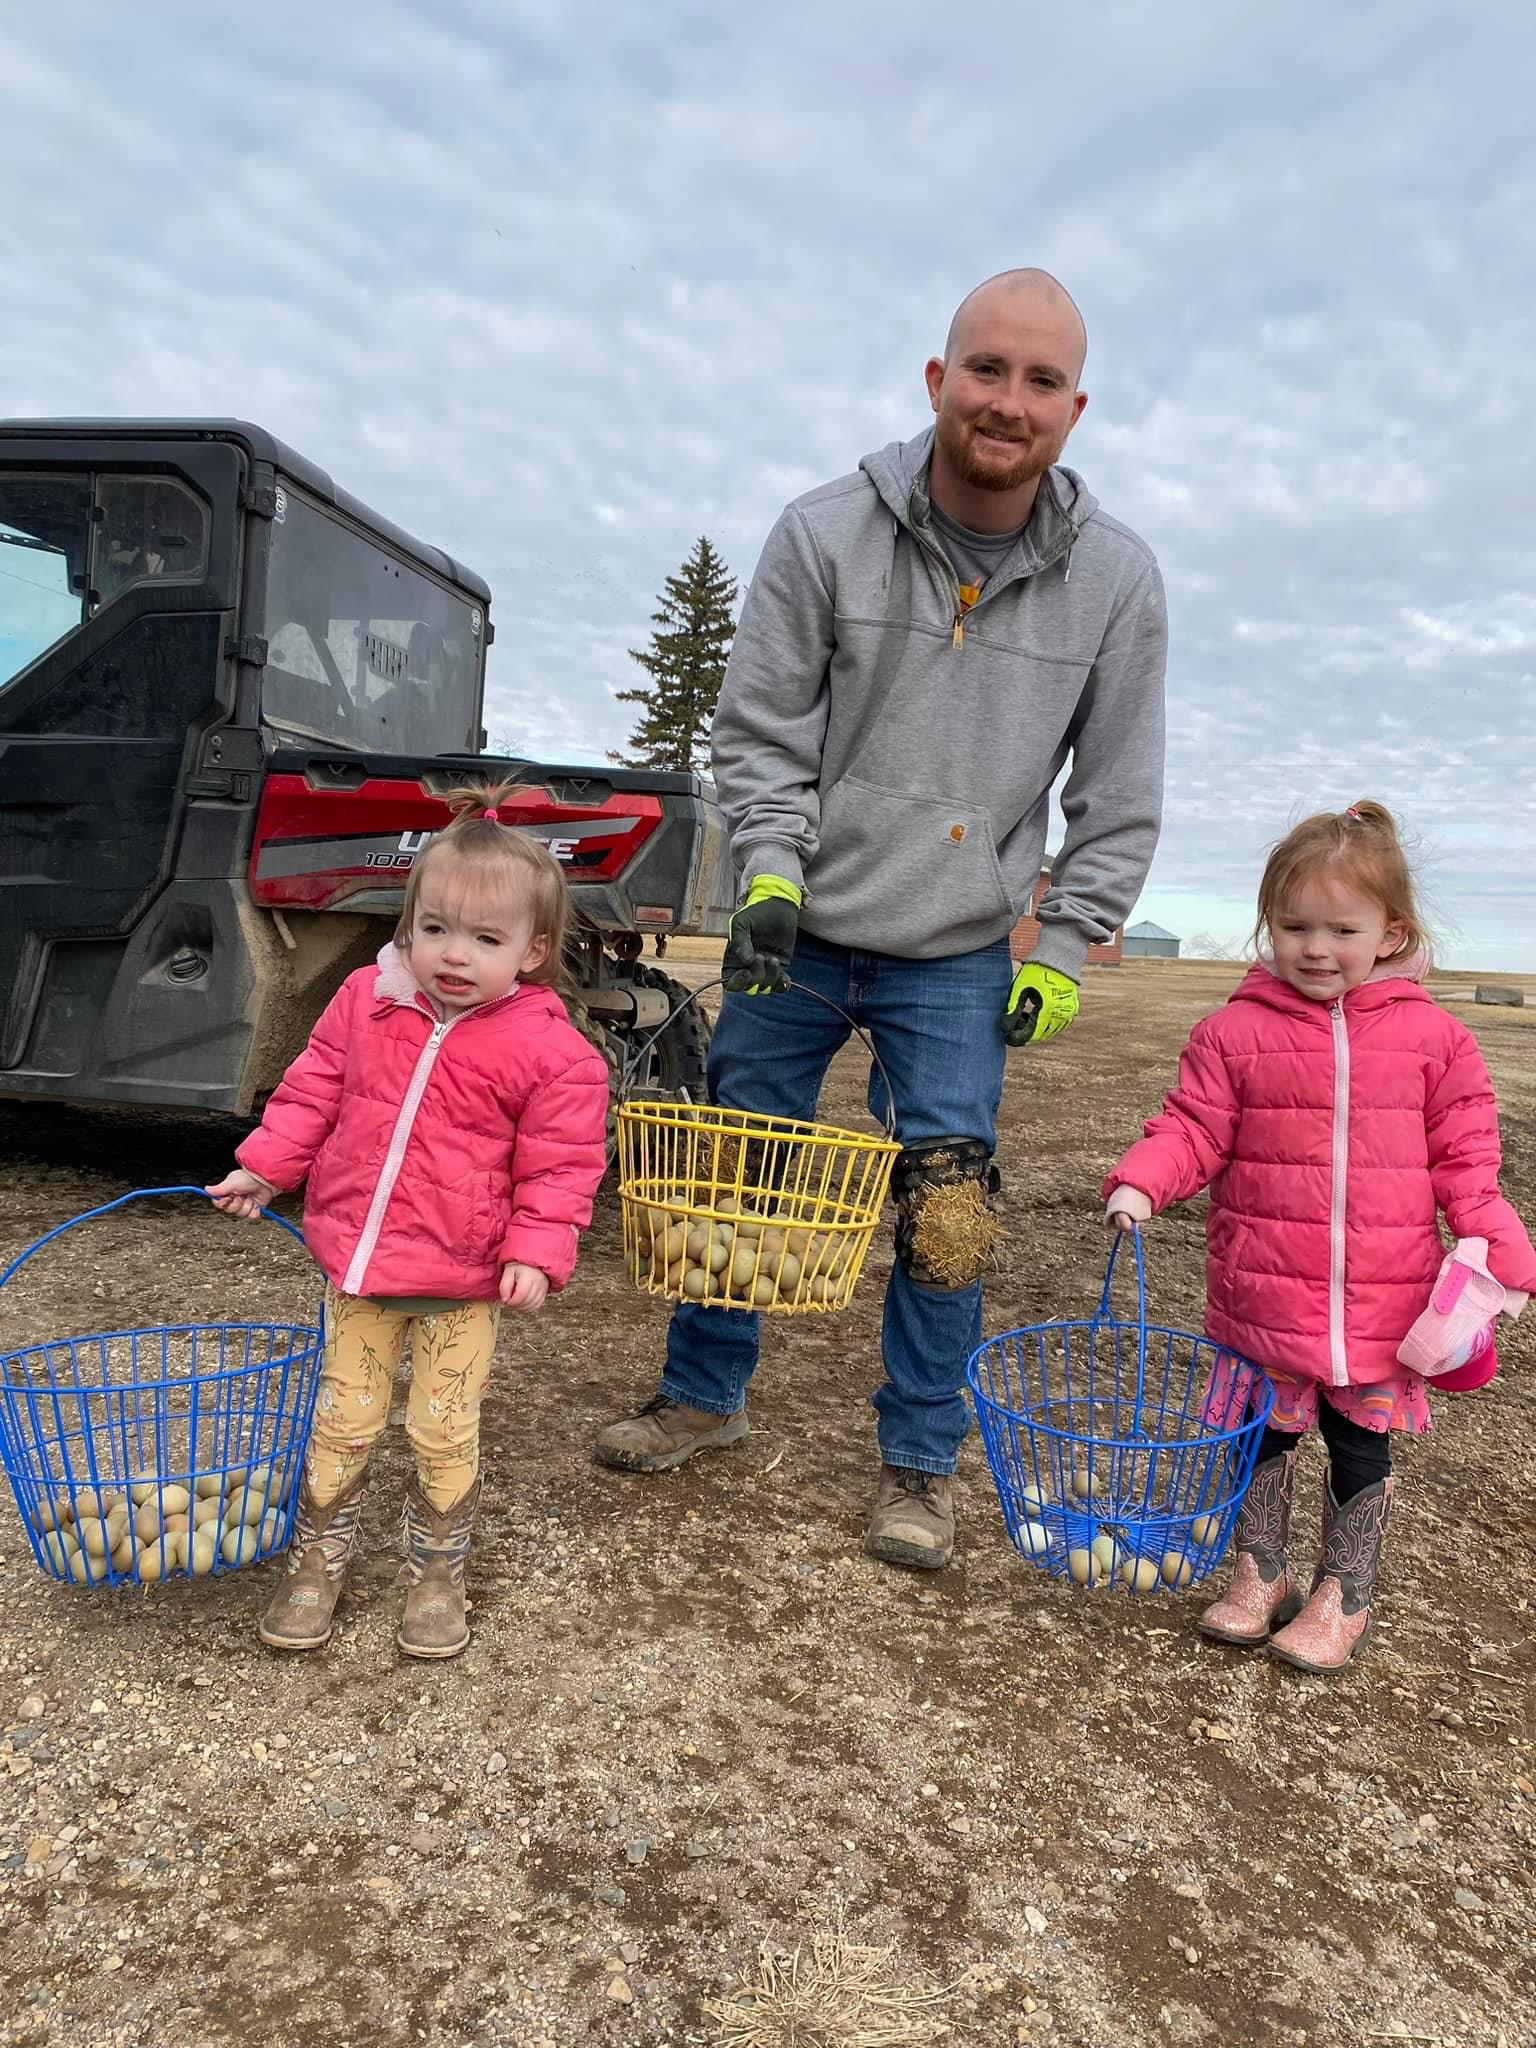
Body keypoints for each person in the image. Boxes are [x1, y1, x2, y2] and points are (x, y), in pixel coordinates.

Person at [594, 267, 1168, 1570]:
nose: (1006, 401)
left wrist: (1066, 945)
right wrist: (772, 874)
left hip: (961, 951)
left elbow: (1120, 790)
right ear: (937, 380)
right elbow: (758, 733)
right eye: (985, 369)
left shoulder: (1119, 585)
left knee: (950, 1207)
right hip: (801, 928)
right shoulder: (821, 532)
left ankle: (918, 1464)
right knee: (735, 1160)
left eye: (1038, 381)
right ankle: (704, 1393)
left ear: (1074, 409)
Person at [1104, 802, 1535, 1674]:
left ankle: (1347, 1590)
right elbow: (1193, 1127)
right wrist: (1144, 1180)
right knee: (1263, 1432)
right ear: (1269, 925)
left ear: (1390, 932)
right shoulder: (1233, 1033)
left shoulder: (1436, 1041)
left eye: (1342, 928)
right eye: (1295, 926)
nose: (1315, 947)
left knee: (1359, 1441)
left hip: (1383, 1305)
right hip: (1264, 1292)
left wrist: (1507, 1255)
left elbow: (1468, 1164)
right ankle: (1261, 1571)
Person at [207, 783, 609, 1659]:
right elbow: (312, 1090)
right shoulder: (366, 1000)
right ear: (408, 924)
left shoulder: (554, 1053)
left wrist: (539, 1250)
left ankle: (436, 1569)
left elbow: (561, 1163)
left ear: (533, 951)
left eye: (486, 940)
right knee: (344, 1416)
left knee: (442, 1423)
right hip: (357, 1267)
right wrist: (264, 1168)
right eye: (435, 930)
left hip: (461, 1283)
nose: (453, 955)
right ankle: (319, 1559)